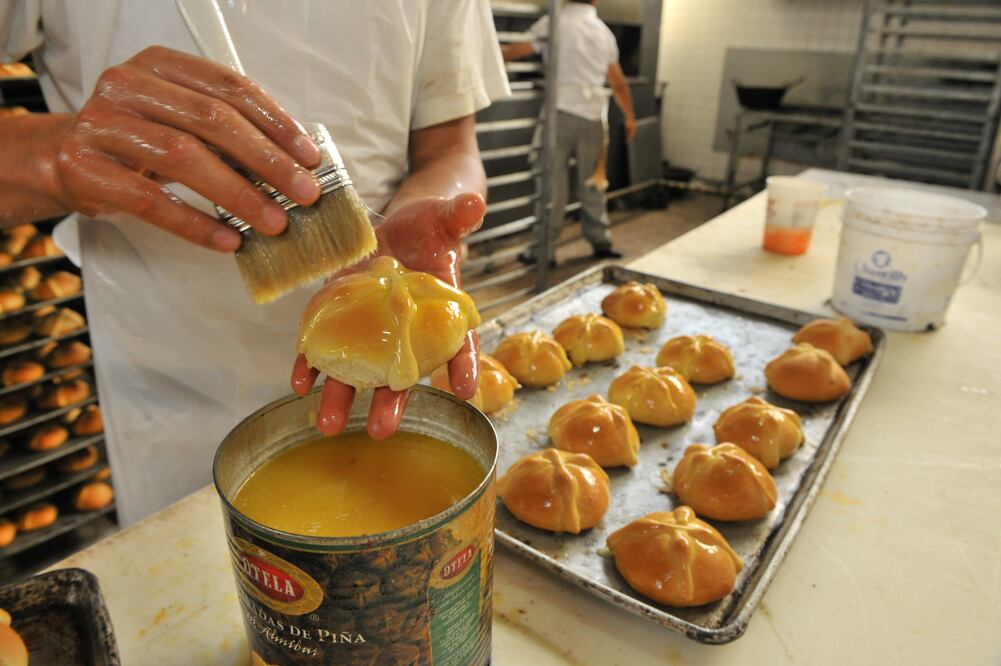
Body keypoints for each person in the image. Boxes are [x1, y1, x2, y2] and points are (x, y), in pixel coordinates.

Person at [0, 0, 509, 525]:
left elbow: (450, 148)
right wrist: (51, 158)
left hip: (390, 374)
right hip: (167, 397)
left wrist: (425, 210)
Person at [503, 0, 636, 264]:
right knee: (593, 183)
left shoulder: (554, 22)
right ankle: (601, 242)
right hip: (594, 118)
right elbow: (618, 84)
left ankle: (543, 251)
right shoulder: (603, 33)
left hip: (559, 114)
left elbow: (513, 52)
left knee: (551, 185)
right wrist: (630, 118)